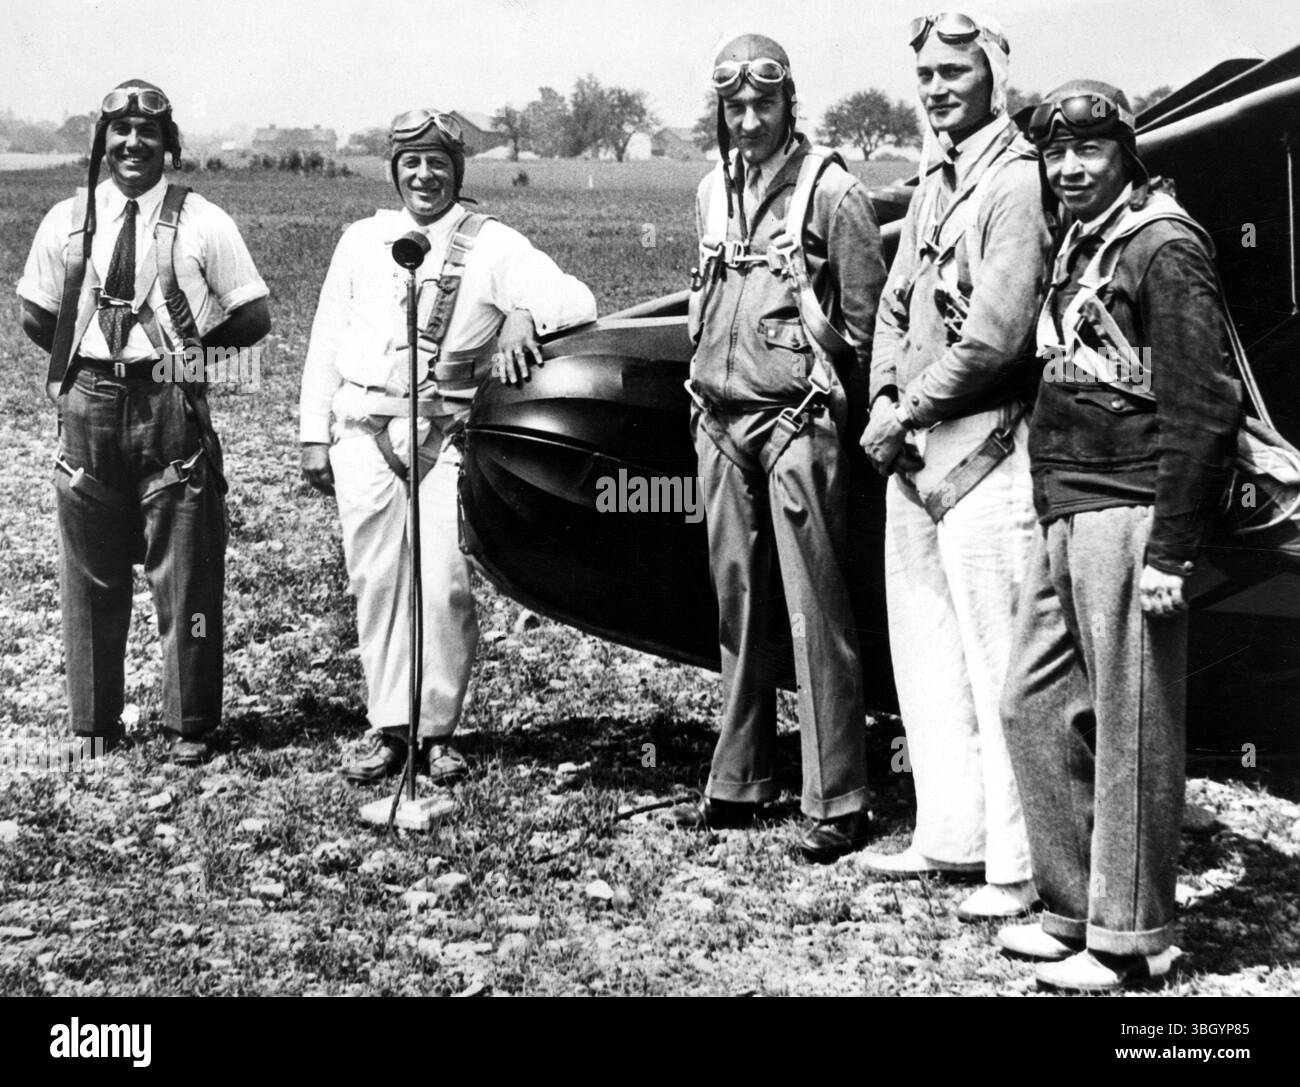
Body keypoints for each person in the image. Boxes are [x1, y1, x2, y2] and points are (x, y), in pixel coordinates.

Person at [997, 81, 1240, 990]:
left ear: (1124, 152)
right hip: (1068, 507)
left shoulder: (1164, 245)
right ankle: (1071, 908)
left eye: (1089, 151)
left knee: (1134, 725)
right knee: (1031, 702)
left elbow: (1205, 406)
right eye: (1056, 153)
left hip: (1132, 508)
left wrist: (1173, 548)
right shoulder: (1083, 239)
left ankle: (1130, 936)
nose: (1068, 167)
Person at [300, 109, 596, 785]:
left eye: (437, 162)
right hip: (362, 430)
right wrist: (313, 432)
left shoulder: (491, 245)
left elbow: (576, 300)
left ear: (456, 172)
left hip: (444, 437)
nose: (424, 175)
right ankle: (387, 727)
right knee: (375, 580)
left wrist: (523, 313)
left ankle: (439, 730)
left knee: (444, 585)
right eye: (410, 162)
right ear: (394, 171)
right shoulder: (361, 240)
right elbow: (324, 338)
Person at [668, 32, 886, 863]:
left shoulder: (832, 194)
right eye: (735, 106)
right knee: (736, 600)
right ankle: (741, 775)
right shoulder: (709, 192)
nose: (749, 119)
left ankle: (838, 795)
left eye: (764, 103)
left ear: (791, 102)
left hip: (799, 418)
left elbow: (864, 331)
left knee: (814, 605)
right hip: (716, 416)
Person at [857, 13, 1052, 920]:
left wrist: (909, 405)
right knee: (926, 652)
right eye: (926, 73)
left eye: (954, 70)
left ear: (993, 74)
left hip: (988, 443)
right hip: (916, 446)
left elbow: (997, 335)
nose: (937, 87)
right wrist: (885, 404)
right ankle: (951, 833)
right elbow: (896, 303)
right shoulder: (937, 174)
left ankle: (1016, 868)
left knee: (999, 660)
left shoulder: (1016, 182)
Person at [17, 79, 270, 766]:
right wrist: (85, 366)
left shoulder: (204, 221)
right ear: (102, 144)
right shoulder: (67, 221)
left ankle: (191, 721)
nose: (134, 145)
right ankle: (95, 722)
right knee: (89, 565)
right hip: (89, 403)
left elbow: (254, 314)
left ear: (169, 146)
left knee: (185, 562)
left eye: (149, 135)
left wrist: (187, 362)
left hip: (170, 403)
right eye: (119, 134)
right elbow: (36, 312)